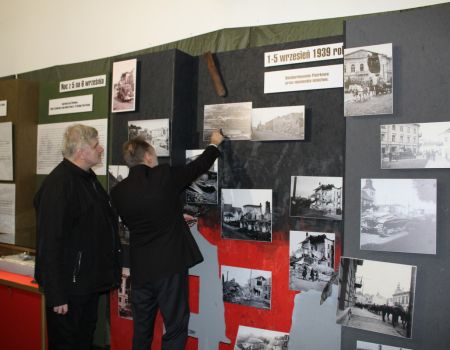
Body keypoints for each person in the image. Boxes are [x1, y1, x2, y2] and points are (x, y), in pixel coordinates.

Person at [110, 130, 224, 350]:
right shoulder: (163, 176)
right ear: (149, 157)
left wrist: (174, 216)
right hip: (169, 267)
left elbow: (143, 216)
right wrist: (214, 144)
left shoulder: (118, 192)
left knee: (142, 329)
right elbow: (197, 168)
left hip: (141, 269)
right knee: (175, 327)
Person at [34, 124, 122, 350]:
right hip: (69, 291)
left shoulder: (87, 178)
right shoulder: (59, 185)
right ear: (82, 152)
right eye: (96, 146)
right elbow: (49, 243)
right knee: (66, 343)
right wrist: (56, 295)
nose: (101, 149)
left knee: (83, 340)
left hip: (86, 285)